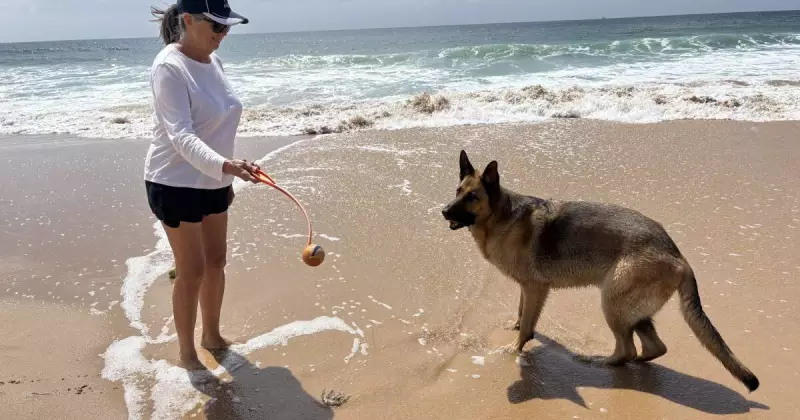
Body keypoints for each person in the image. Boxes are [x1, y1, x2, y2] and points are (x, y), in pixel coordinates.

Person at [147, 0, 258, 371]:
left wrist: (229, 168)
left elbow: (217, 125)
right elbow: (181, 135)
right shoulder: (169, 67)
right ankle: (186, 354)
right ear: (189, 20)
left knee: (216, 261)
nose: (223, 35)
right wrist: (225, 164)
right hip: (173, 181)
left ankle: (212, 335)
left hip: (213, 178)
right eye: (216, 27)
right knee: (191, 269)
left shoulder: (214, 61)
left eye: (227, 27)